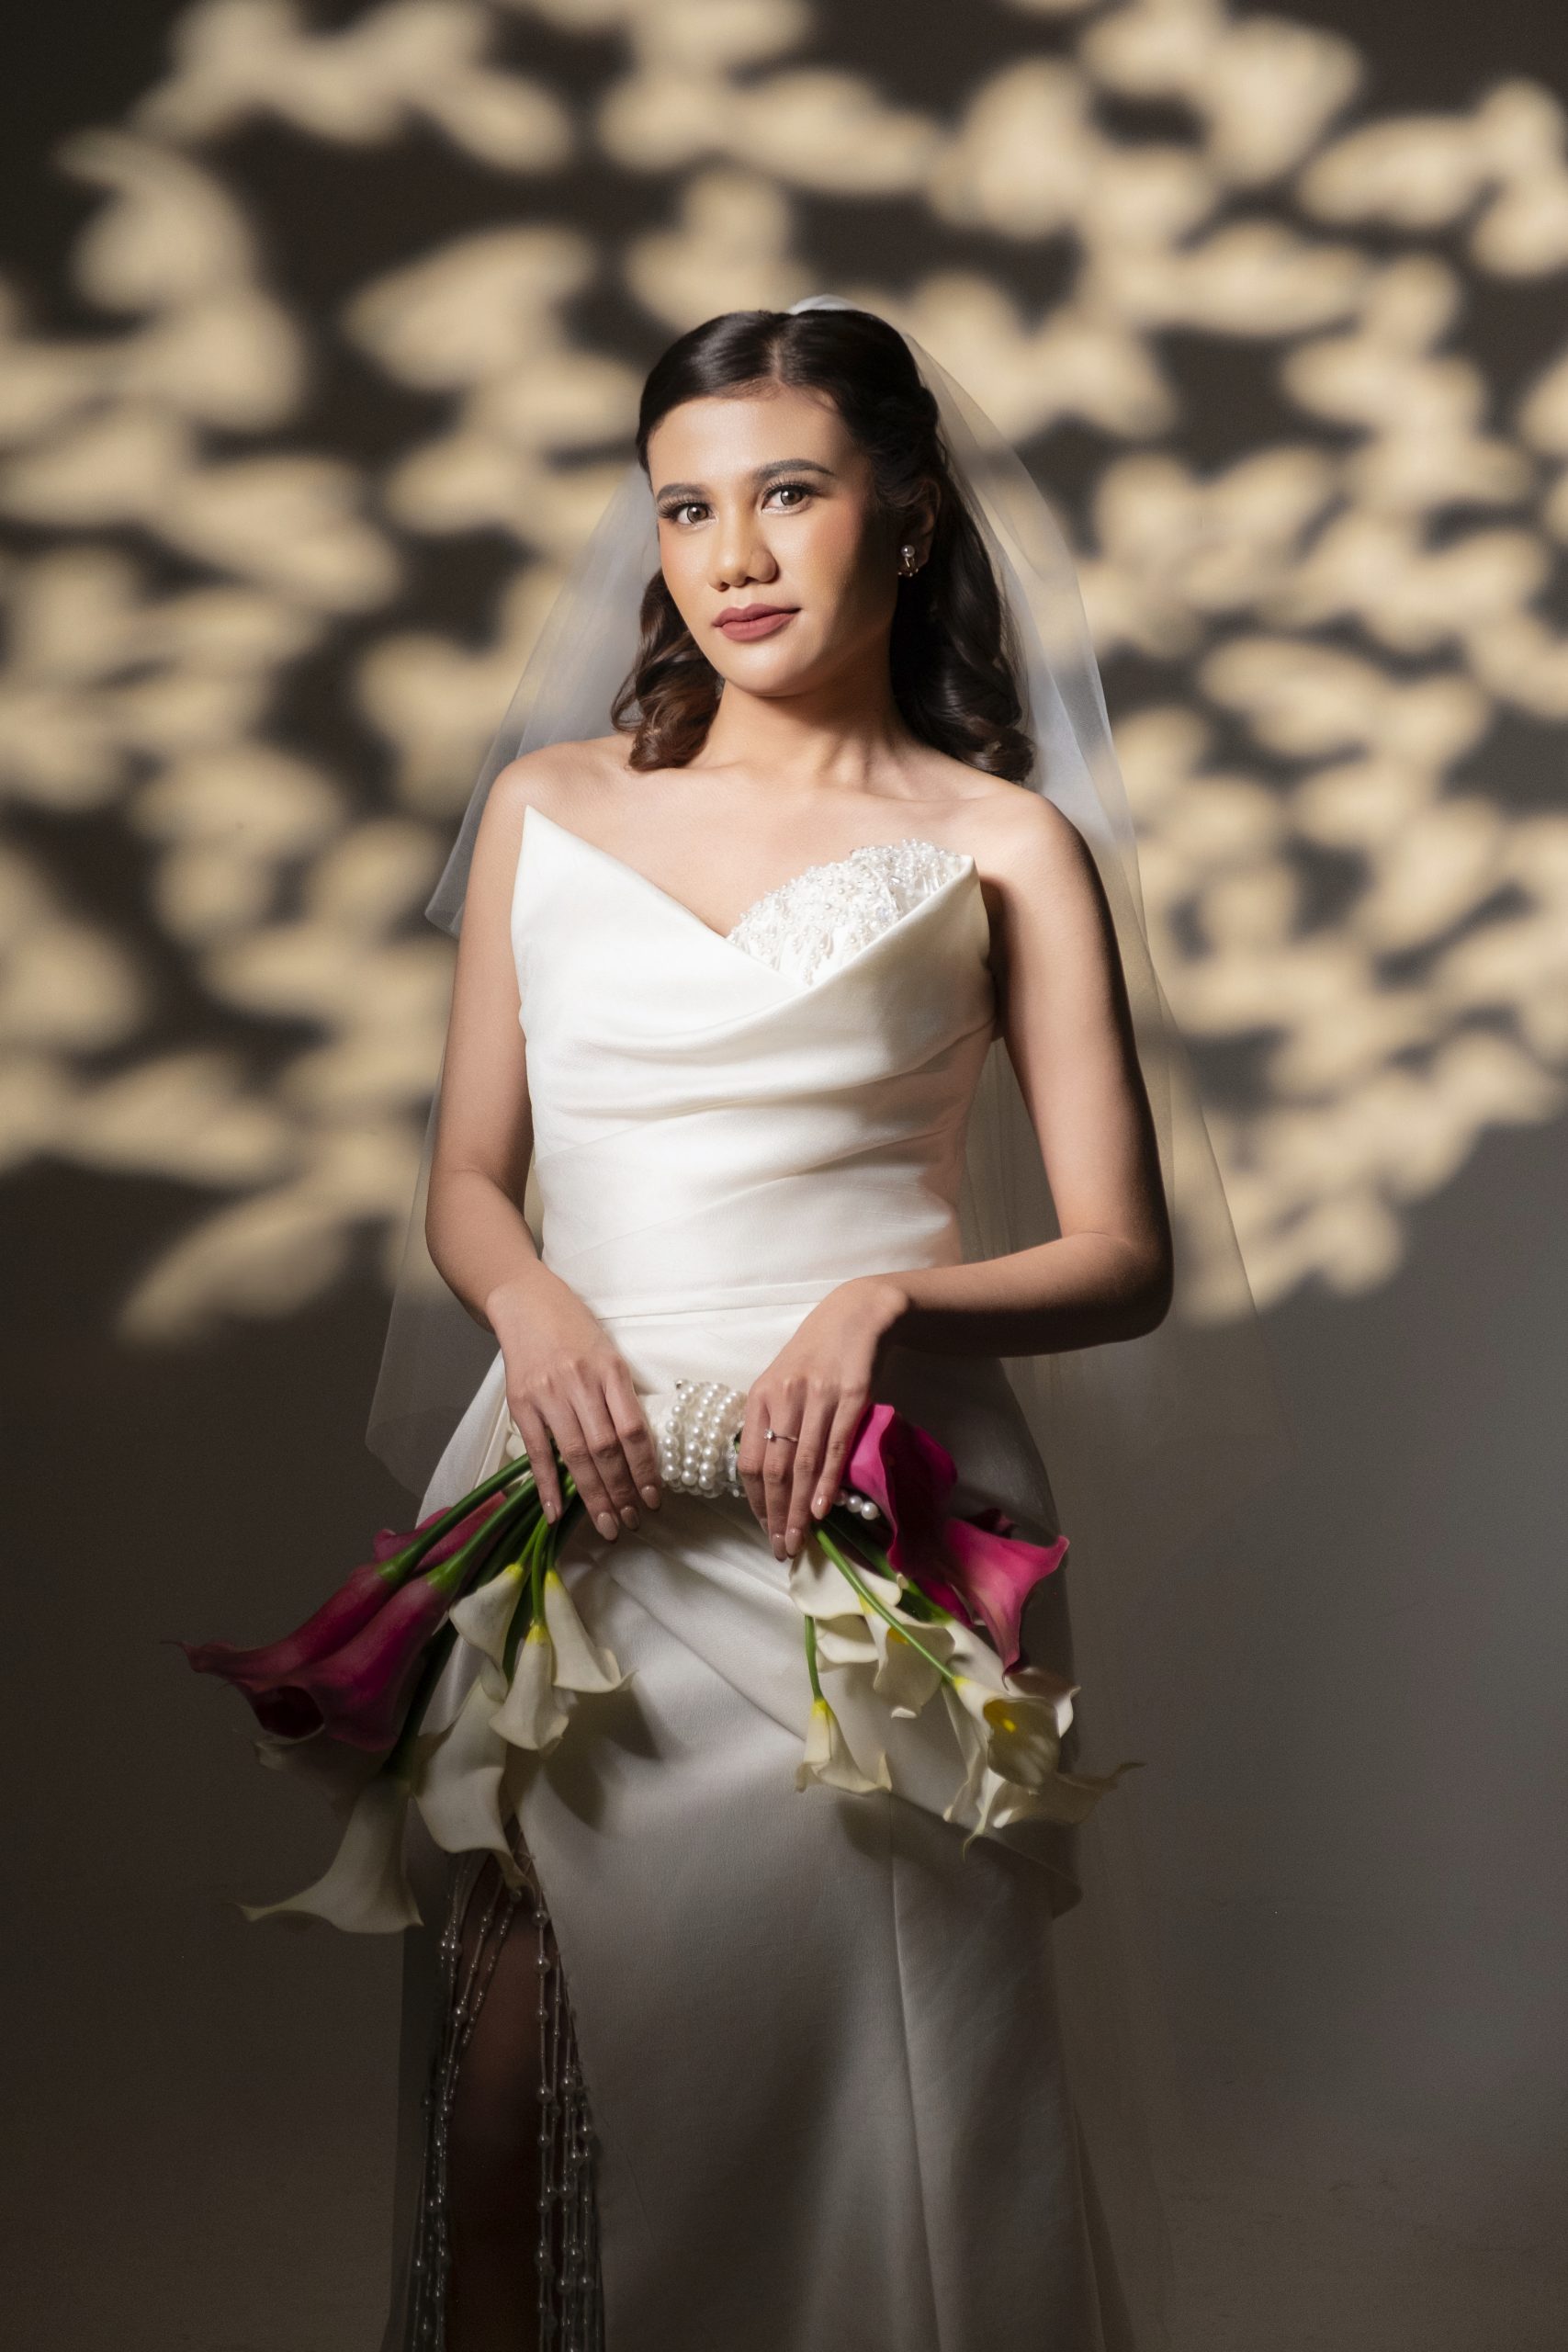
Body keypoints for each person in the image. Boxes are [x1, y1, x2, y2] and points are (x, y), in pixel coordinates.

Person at [367, 300, 1290, 2352]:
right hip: (580, 1487)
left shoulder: (999, 841)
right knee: (509, 2106)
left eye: (788, 492)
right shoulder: (544, 804)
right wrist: (532, 1305)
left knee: (877, 2102)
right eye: (685, 507)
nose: (735, 555)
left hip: (854, 1514)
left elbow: (1122, 1253)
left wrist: (881, 1297)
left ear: (909, 514)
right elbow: (466, 1179)